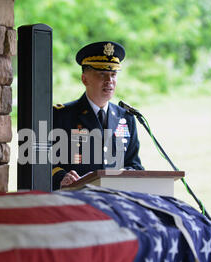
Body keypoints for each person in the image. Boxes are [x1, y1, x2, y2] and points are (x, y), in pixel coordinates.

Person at [52, 41, 144, 190]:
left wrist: (127, 174)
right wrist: (61, 177)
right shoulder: (62, 116)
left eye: (113, 74)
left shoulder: (126, 118)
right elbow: (45, 162)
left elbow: (134, 164)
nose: (110, 81)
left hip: (117, 198)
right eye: (102, 74)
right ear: (84, 79)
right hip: (78, 198)